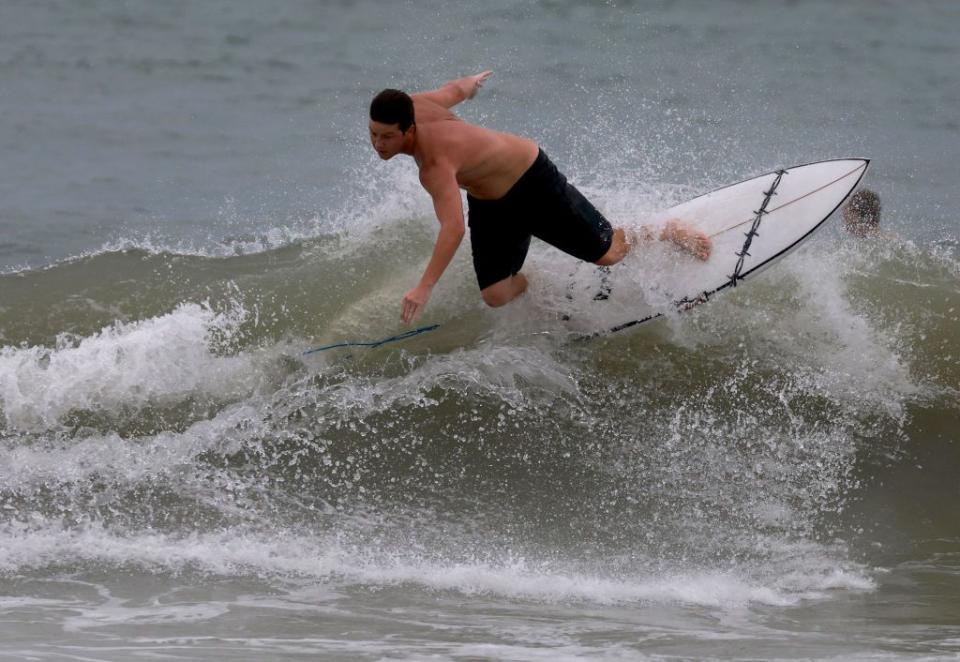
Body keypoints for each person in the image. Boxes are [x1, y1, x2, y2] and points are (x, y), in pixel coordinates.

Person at [368, 71, 712, 324]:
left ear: (409, 129)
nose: (378, 144)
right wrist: (470, 86)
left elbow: (453, 228)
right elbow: (453, 90)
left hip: (531, 180)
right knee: (496, 294)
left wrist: (424, 287)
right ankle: (548, 283)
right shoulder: (411, 105)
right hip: (490, 199)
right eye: (373, 134)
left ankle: (664, 229)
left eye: (386, 137)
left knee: (608, 254)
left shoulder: (434, 165)